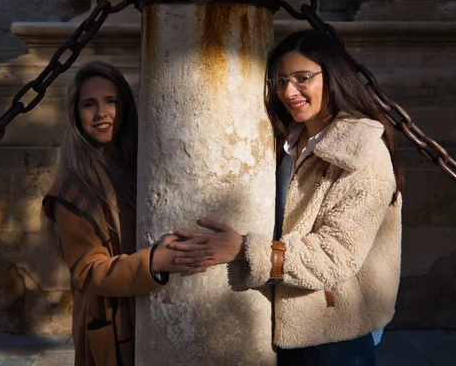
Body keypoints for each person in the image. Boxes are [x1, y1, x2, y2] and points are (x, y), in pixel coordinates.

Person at [172, 30, 404, 365]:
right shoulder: (283, 141)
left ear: (332, 76)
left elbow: (335, 255)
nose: (288, 91)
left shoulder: (363, 152)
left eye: (302, 78)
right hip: (281, 324)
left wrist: (242, 249)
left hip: (334, 334)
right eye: (280, 80)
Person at [42, 61, 212, 366]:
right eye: (89, 105)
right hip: (111, 321)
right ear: (76, 114)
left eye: (111, 102)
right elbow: (88, 272)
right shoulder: (71, 188)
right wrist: (154, 262)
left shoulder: (140, 164)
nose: (101, 114)